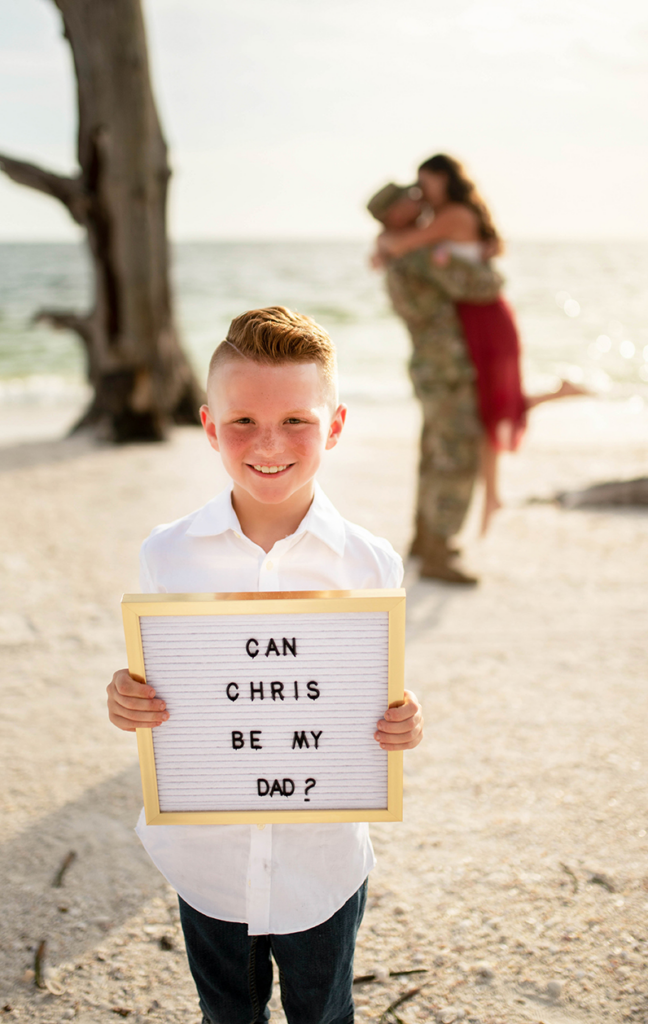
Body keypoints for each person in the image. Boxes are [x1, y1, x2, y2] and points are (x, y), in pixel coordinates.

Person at [106, 306, 424, 1024]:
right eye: (243, 421)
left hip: (322, 866)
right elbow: (154, 678)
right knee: (227, 1014)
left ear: (334, 426)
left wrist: (403, 719)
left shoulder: (369, 562)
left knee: (324, 1011)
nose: (268, 443)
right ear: (209, 426)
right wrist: (126, 697)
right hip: (207, 862)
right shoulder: (168, 554)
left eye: (297, 421)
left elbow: (377, 690)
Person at [378, 154, 587, 534]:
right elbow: (480, 276)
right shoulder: (432, 237)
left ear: (445, 179)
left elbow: (413, 249)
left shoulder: (445, 222)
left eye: (424, 185)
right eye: (413, 191)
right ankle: (482, 504)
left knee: (487, 409)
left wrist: (386, 243)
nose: (420, 194)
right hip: (471, 327)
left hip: (479, 323)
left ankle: (488, 498)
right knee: (481, 416)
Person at [367, 182, 504, 580]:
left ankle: (426, 540)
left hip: (431, 368)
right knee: (456, 457)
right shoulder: (421, 254)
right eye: (407, 198)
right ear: (394, 215)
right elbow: (484, 286)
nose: (418, 200)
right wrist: (482, 257)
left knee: (434, 454)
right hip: (448, 370)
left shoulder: (399, 252)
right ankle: (439, 554)